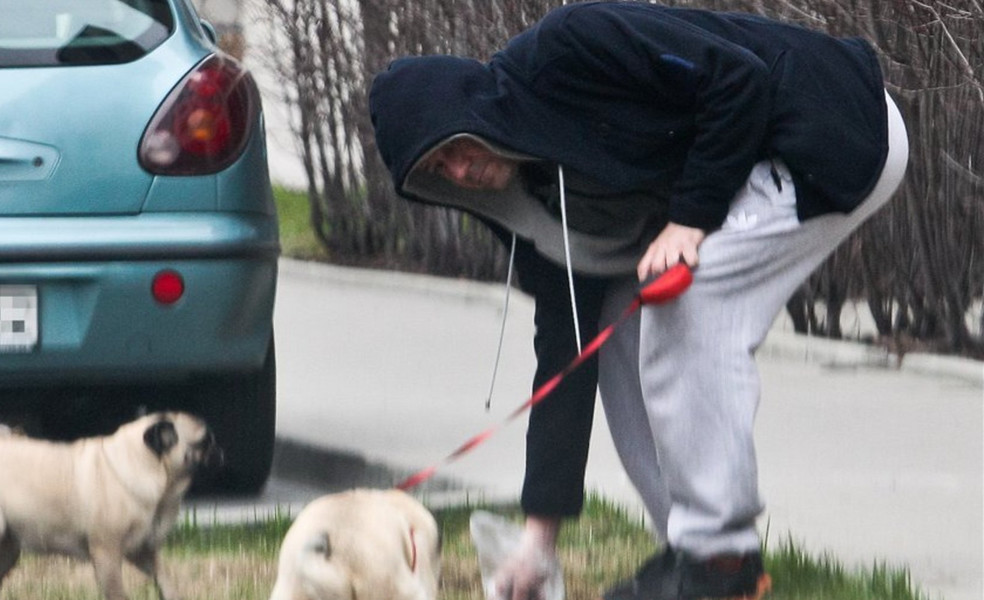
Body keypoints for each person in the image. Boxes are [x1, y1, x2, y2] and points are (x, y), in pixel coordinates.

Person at [368, 2, 908, 600]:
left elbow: (739, 79)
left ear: (471, 108)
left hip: (832, 127)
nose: (461, 170)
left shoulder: (571, 47)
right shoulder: (527, 207)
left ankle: (718, 559)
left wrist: (691, 217)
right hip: (745, 170)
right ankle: (687, 552)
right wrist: (538, 544)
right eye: (439, 170)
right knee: (613, 329)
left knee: (689, 298)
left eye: (454, 145)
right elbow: (567, 353)